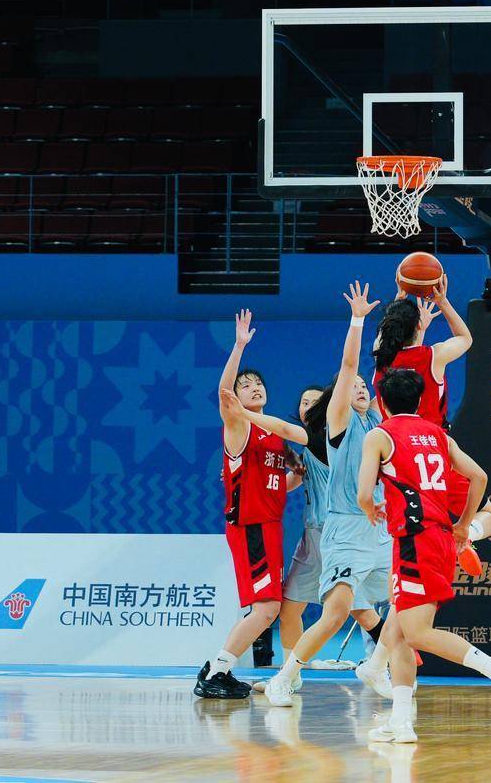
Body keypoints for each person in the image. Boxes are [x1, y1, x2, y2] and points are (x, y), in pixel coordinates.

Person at [358, 368, 491, 743]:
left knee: (416, 633)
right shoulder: (438, 435)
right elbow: (480, 477)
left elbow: (363, 493)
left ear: (381, 402)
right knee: (398, 633)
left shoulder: (379, 435)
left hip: (414, 540)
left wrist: (370, 508)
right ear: (420, 400)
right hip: (436, 538)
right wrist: (464, 525)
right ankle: (401, 722)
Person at [263, 282, 394, 706]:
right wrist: (357, 320)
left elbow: (391, 371)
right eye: (353, 385)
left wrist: (406, 321)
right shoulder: (339, 421)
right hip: (343, 529)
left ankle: (377, 666)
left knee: (406, 603)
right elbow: (350, 363)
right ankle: (285, 677)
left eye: (363, 385)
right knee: (336, 613)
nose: (360, 388)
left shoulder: (379, 422)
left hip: (379, 528)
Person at [195, 310, 307, 700]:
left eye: (258, 383)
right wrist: (239, 347)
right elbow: (224, 394)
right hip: (250, 526)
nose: (254, 387)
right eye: (246, 386)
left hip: (271, 524)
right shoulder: (239, 426)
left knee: (267, 608)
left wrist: (305, 474)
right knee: (267, 609)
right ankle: (215, 672)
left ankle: (218, 669)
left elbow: (283, 484)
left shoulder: (274, 434)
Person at [372, 275, 491, 561]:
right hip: (433, 449)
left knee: (409, 529)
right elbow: (466, 339)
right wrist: (442, 301)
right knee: (489, 514)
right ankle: (465, 534)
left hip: (393, 456)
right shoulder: (433, 356)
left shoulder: (381, 363)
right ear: (419, 326)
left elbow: (387, 341)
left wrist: (399, 298)